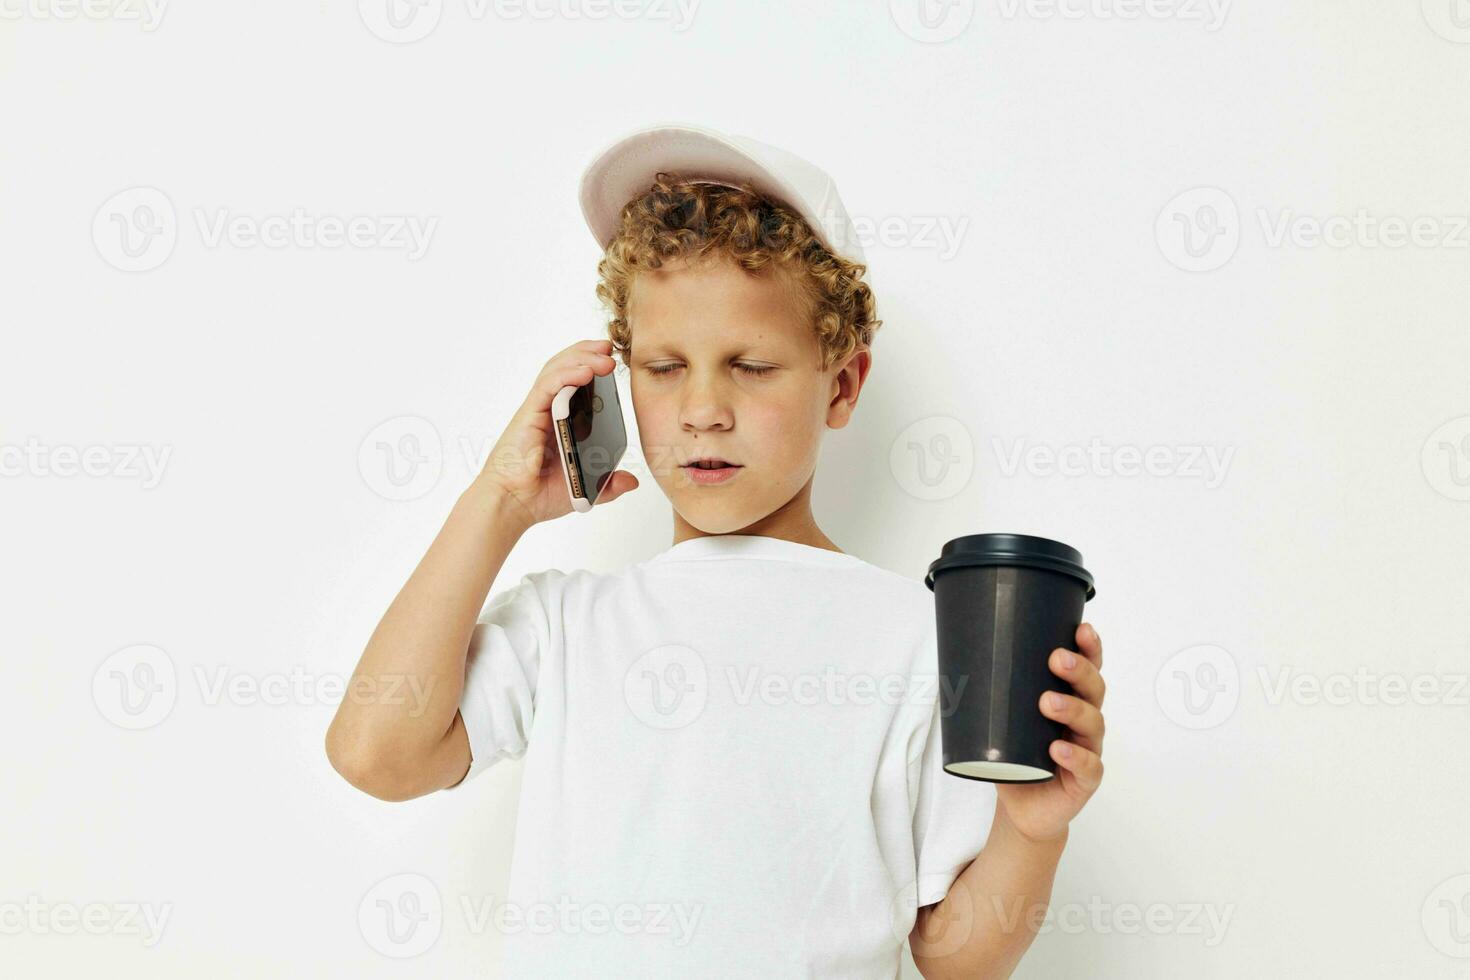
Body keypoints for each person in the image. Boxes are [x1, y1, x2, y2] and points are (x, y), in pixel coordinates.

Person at [324, 122, 1107, 979]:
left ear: (839, 383)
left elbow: (956, 957)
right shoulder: (567, 626)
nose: (702, 409)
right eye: (663, 367)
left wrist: (1033, 829)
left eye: (752, 365)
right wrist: (499, 502)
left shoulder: (922, 636)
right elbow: (377, 755)